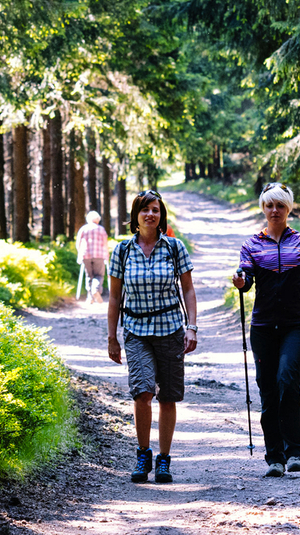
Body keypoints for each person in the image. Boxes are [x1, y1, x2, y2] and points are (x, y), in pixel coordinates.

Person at [232, 183, 300, 477]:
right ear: (263, 208)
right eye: (270, 206)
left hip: (295, 325)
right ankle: (274, 457)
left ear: (289, 209)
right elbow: (246, 279)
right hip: (262, 327)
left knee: (288, 380)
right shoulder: (251, 245)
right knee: (268, 390)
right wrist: (240, 282)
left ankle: (295, 453)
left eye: (280, 206)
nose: (275, 211)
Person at [106, 190, 198, 484]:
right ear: (135, 216)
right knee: (143, 391)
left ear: (161, 215)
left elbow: (188, 290)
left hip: (170, 329)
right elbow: (114, 298)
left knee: (168, 397)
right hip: (136, 331)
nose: (150, 214)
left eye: (155, 210)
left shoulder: (174, 247)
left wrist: (192, 326)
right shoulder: (122, 250)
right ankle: (143, 453)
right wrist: (112, 337)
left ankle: (164, 461)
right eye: (145, 210)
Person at [76, 210, 109, 303]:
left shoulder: (83, 229)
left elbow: (78, 243)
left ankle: (90, 297)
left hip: (86, 255)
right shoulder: (101, 229)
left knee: (88, 276)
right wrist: (107, 255)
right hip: (99, 255)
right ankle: (95, 290)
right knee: (99, 275)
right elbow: (105, 243)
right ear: (97, 220)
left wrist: (80, 254)